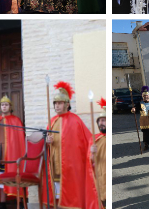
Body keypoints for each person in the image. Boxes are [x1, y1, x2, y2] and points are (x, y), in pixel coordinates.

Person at [43, 81, 98, 209]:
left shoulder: (75, 120)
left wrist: (93, 149)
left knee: (71, 197)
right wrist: (47, 142)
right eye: (55, 103)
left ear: (67, 104)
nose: (57, 106)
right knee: (57, 195)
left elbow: (88, 139)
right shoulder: (52, 121)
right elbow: (46, 144)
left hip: (71, 167)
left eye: (60, 103)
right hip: (55, 165)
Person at [88, 98, 106, 208]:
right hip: (99, 180)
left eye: (103, 120)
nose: (101, 123)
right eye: (99, 121)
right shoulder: (94, 139)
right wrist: (91, 153)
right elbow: (89, 163)